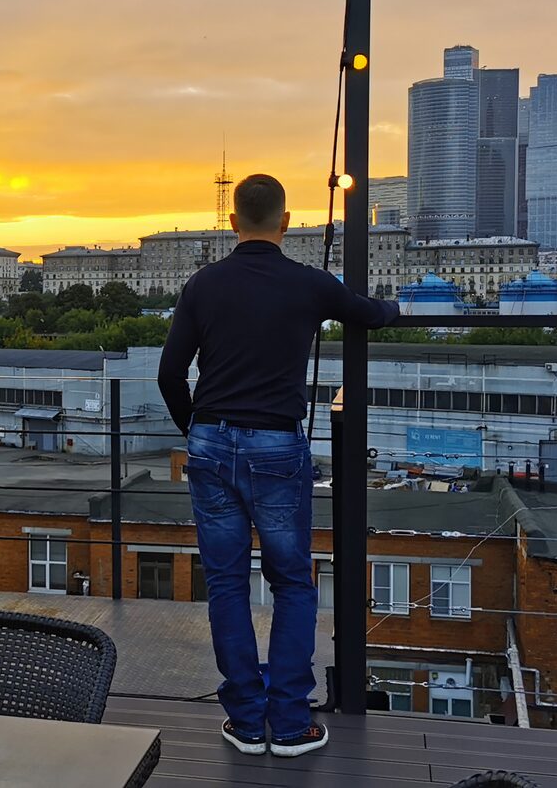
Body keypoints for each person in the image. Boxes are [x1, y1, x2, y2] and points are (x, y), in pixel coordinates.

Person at [157, 174, 398, 758]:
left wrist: (199, 430)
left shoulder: (204, 284)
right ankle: (290, 724)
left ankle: (244, 719)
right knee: (291, 581)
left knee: (225, 582)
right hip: (275, 448)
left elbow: (170, 375)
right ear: (286, 223)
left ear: (234, 223)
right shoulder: (309, 285)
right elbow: (370, 313)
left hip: (212, 444)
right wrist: (392, 305)